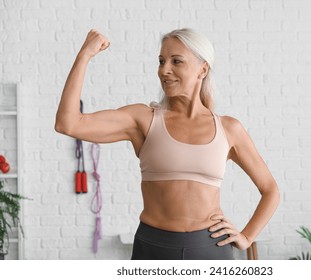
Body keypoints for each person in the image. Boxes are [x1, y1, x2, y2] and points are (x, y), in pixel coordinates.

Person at [55, 28, 280, 260]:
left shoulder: (229, 129)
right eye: (161, 61)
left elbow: (270, 190)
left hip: (211, 248)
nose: (164, 70)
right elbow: (68, 124)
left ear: (202, 69)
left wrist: (247, 236)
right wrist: (84, 56)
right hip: (153, 248)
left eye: (176, 61)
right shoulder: (143, 119)